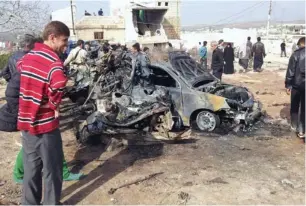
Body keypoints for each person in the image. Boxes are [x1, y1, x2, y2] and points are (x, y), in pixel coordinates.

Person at [17, 21, 70, 205]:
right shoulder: (54, 63)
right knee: (52, 170)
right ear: (52, 37)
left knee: (31, 169)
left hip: (26, 123)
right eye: (64, 40)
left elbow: (20, 68)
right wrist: (55, 103)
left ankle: (29, 203)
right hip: (46, 125)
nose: (65, 45)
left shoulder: (28, 56)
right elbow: (58, 83)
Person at [285, 37, 305, 141]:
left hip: (297, 85)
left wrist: (288, 85)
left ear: (299, 44)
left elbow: (290, 72)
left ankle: (294, 125)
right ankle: (302, 131)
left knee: (295, 105)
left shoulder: (295, 54)